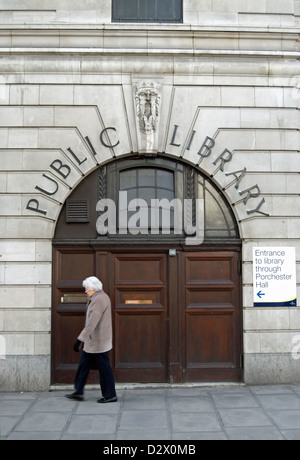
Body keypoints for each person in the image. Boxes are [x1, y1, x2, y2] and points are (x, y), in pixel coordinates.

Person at [65, 276, 117, 403]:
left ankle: (110, 395)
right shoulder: (100, 297)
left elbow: (92, 322)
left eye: (87, 288)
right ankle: (78, 391)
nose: (85, 291)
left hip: (97, 341)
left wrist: (80, 339)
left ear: (94, 288)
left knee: (104, 368)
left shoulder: (98, 299)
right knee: (84, 364)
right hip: (94, 340)